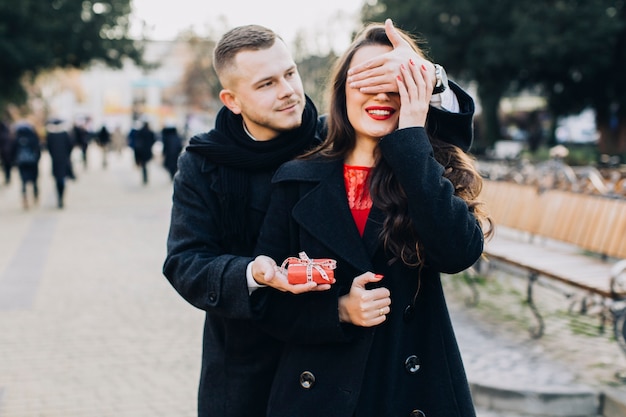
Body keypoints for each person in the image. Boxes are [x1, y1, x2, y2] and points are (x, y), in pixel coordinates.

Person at [163, 21, 476, 417]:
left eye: (290, 74)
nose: (289, 92)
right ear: (232, 100)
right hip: (247, 358)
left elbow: (432, 148)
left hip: (343, 359)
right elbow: (185, 262)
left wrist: (431, 80)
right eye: (266, 84)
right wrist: (254, 273)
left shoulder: (333, 139)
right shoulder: (203, 165)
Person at [250, 21, 493, 417]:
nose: (381, 93)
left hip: (408, 389)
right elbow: (266, 305)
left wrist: (412, 133)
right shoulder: (295, 180)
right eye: (366, 79)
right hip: (319, 392)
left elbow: (458, 253)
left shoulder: (428, 171)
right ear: (343, 89)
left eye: (395, 82)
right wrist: (339, 310)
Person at [46, 118, 73, 209]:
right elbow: (70, 146)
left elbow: (49, 148)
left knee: (58, 180)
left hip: (55, 161)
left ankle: (59, 198)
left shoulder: (50, 135)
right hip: (64, 160)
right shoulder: (65, 134)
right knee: (62, 180)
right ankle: (61, 198)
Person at [13, 122, 41, 209]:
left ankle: (25, 198)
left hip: (22, 163)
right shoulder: (33, 137)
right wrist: (37, 159)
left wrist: (14, 162)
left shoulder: (17, 139)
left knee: (23, 181)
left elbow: (13, 151)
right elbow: (38, 149)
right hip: (33, 162)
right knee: (35, 180)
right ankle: (35, 194)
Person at [131, 120, 155, 184]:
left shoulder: (140, 132)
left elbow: (137, 142)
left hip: (141, 151)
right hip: (147, 151)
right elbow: (153, 140)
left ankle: (145, 177)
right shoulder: (150, 132)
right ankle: (145, 177)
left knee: (144, 165)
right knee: (146, 164)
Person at [0, 120, 14, 185]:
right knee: (8, 166)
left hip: (4, 153)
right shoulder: (8, 134)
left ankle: (7, 177)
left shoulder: (2, 135)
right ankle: (8, 177)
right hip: (9, 153)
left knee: (5, 166)